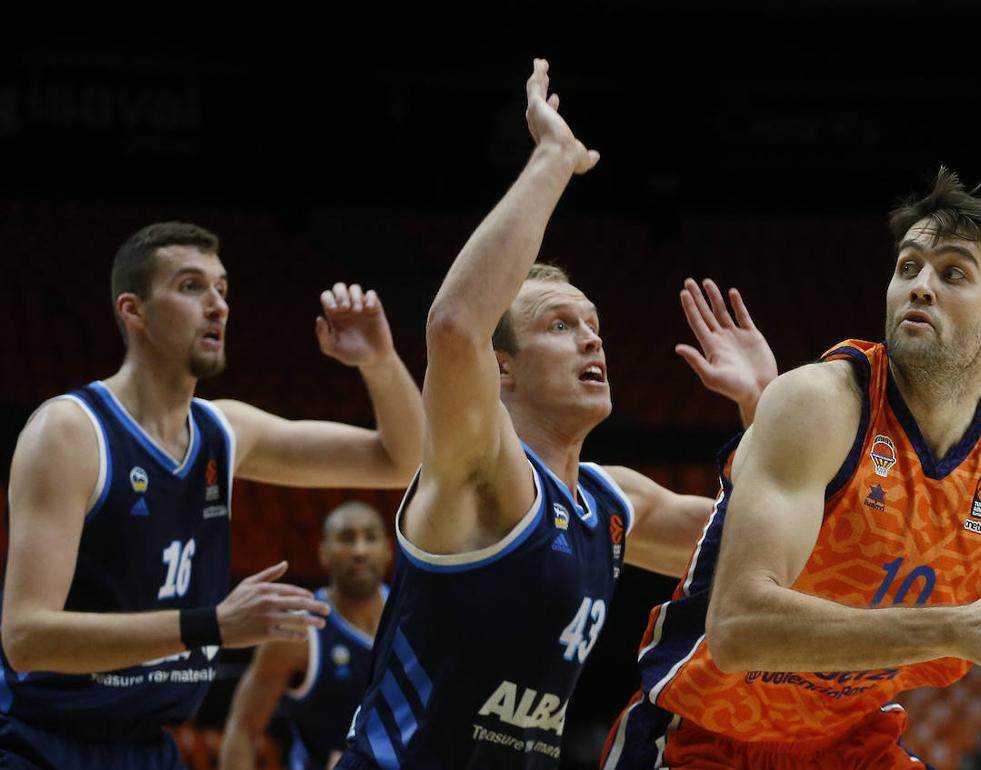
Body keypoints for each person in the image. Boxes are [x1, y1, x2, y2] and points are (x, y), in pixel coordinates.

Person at [335, 59, 778, 770]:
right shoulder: (479, 469)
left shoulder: (613, 501)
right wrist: (554, 158)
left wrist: (763, 406)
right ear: (501, 366)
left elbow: (757, 546)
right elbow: (454, 324)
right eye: (560, 325)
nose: (591, 337)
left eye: (593, 324)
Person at [601, 168, 981, 770]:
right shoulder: (821, 401)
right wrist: (954, 628)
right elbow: (738, 628)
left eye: (953, 274)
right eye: (908, 267)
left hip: (851, 743)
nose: (920, 286)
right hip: (704, 736)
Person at [0, 221, 425, 769]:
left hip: (150, 747)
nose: (217, 305)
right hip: (41, 745)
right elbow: (26, 638)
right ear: (134, 311)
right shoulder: (70, 432)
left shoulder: (226, 431)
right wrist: (212, 625)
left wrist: (380, 362)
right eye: (190, 286)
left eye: (222, 289)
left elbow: (403, 460)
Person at [222, 501, 391, 770]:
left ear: (387, 550)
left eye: (370, 538)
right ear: (323, 554)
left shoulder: (412, 617)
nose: (360, 550)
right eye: (347, 538)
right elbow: (243, 728)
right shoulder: (297, 629)